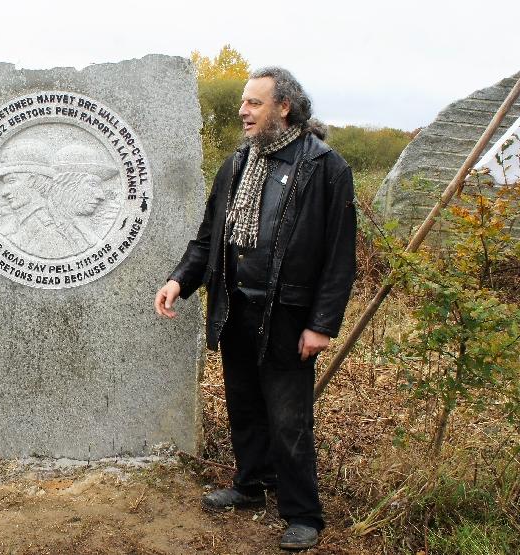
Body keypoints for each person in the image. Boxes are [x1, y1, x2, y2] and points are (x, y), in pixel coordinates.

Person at [154, 66, 356, 550]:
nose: (242, 111)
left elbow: (338, 257)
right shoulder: (237, 163)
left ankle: (303, 512)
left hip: (288, 314)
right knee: (244, 404)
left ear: (283, 107)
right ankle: (251, 485)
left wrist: (321, 324)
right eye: (243, 102)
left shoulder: (325, 167)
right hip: (236, 306)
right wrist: (180, 279)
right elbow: (210, 238)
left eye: (254, 103)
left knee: (289, 417)